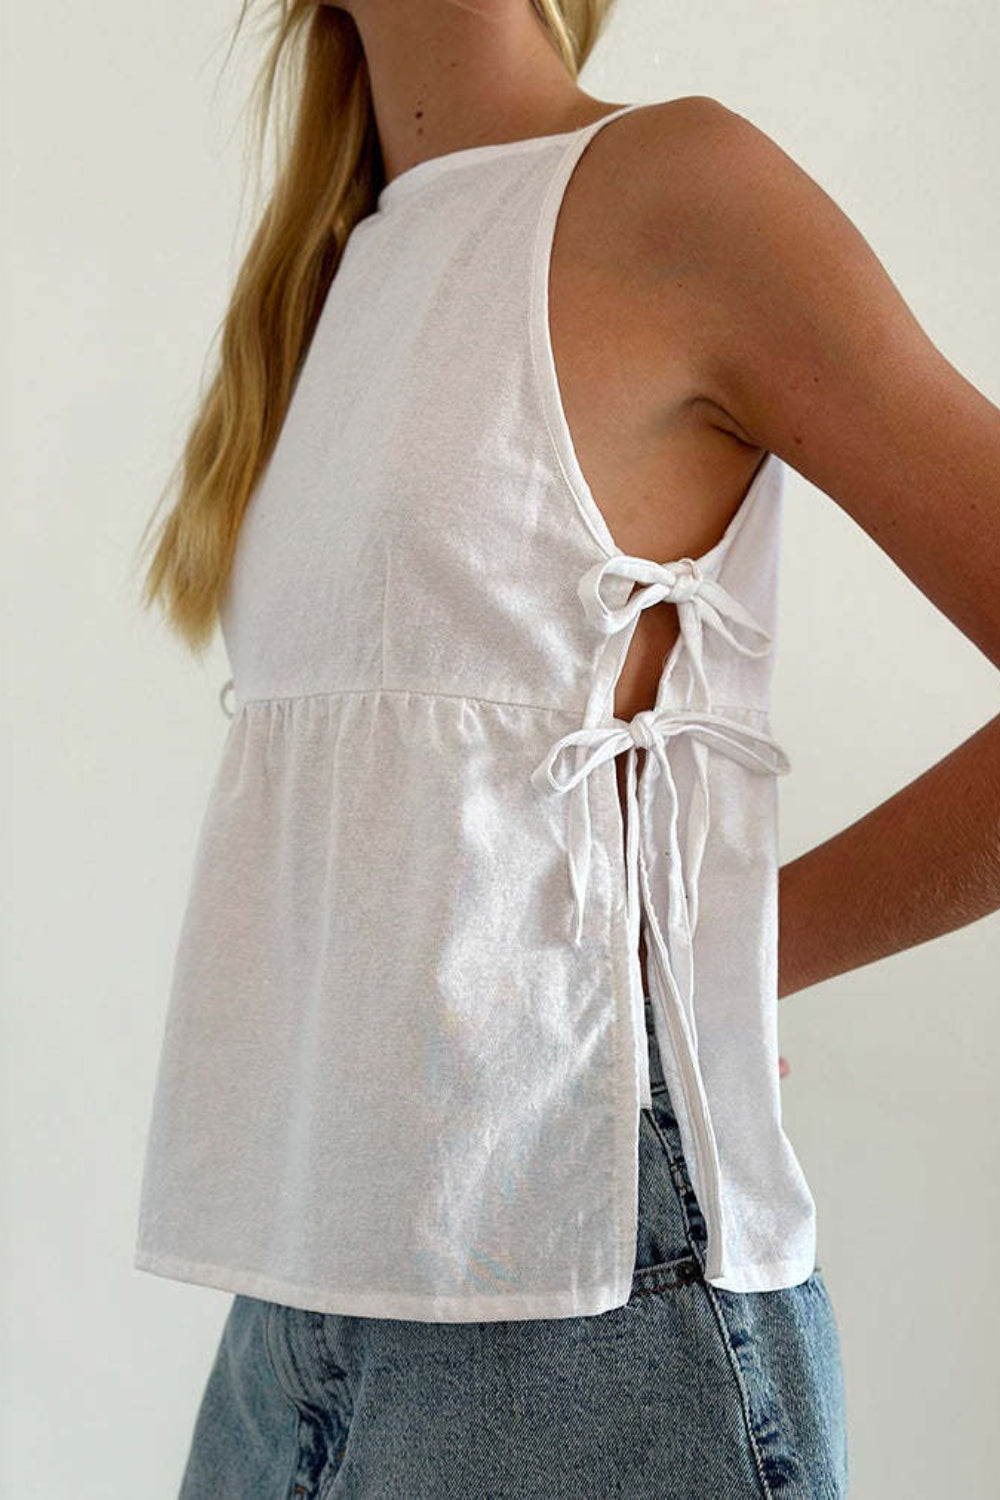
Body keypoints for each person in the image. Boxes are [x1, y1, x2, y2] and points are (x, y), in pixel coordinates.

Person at [133, 2, 1000, 1495]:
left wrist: (718, 961)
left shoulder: (682, 192)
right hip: (305, 1284)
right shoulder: (347, 261)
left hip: (597, 1311)